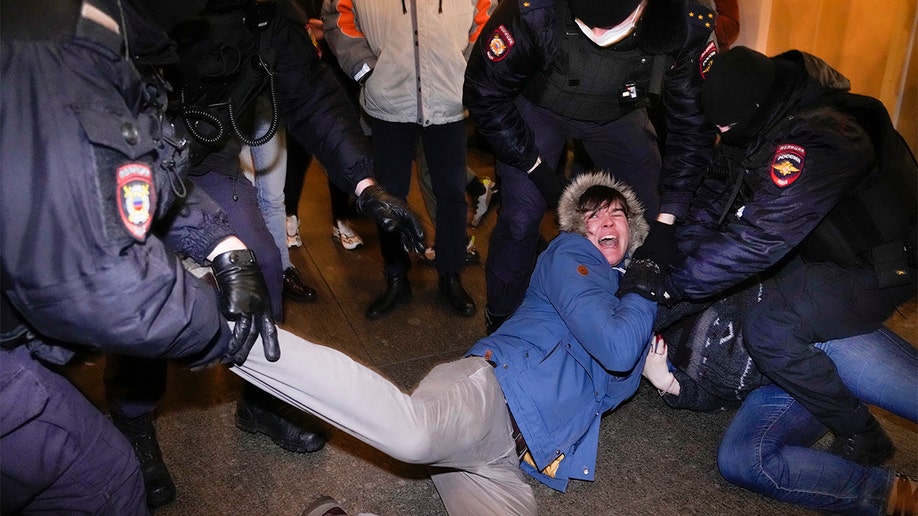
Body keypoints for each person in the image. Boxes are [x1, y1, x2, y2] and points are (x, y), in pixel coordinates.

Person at [109, 0, 428, 507]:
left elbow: (314, 98)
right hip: (130, 165)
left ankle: (262, 398)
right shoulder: (135, 14)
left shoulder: (265, 12)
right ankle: (133, 420)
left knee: (262, 263)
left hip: (207, 160)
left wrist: (367, 186)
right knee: (142, 293)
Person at [229, 172, 655, 514]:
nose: (605, 223)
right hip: (489, 395)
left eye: (616, 216)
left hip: (507, 454)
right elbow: (617, 350)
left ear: (632, 230)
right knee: (412, 435)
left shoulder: (625, 304)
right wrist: (645, 290)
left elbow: (615, 380)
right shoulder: (573, 255)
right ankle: (232, 338)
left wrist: (663, 371)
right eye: (594, 216)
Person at [0, 0, 282, 512]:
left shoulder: (68, 28)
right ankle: (134, 421)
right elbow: (112, 288)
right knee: (103, 483)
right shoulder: (55, 55)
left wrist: (224, 246)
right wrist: (218, 334)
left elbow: (136, 167)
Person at [621, 47, 917, 467]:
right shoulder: (760, 117)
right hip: (817, 245)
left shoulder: (826, 136)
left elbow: (758, 239)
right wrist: (669, 251)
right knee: (764, 299)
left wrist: (669, 288)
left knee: (770, 327)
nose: (722, 132)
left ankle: (863, 434)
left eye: (726, 125)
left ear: (754, 109)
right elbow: (716, 199)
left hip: (882, 263)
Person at [463, 0, 719, 333]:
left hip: (618, 110)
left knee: (652, 209)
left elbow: (692, 126)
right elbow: (484, 91)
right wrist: (535, 168)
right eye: (588, 26)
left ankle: (638, 309)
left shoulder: (686, 20)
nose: (597, 35)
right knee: (521, 216)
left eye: (611, 27)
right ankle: (501, 315)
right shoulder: (534, 10)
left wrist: (669, 219)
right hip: (537, 104)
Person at [642, 278, 918, 515]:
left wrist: (639, 308)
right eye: (594, 225)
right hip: (780, 386)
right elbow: (719, 396)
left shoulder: (669, 270)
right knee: (742, 459)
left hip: (814, 333)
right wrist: (669, 383)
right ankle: (896, 495)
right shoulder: (632, 329)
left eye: (612, 212)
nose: (602, 224)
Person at [323, 0, 498, 319]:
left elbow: (486, 17)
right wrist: (367, 71)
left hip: (448, 98)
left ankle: (451, 274)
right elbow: (338, 15)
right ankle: (395, 277)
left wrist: (469, 72)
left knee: (450, 193)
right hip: (389, 99)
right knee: (389, 196)